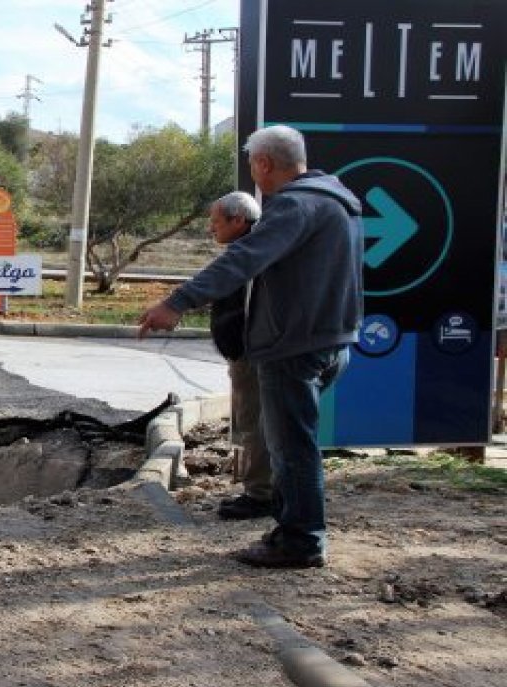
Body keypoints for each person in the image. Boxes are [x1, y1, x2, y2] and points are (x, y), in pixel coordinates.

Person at [138, 125, 363, 569]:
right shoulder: (337, 201)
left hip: (292, 347)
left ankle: (300, 541)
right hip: (333, 340)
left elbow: (242, 259)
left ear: (263, 163)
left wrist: (177, 302)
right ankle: (291, 527)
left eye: (252, 165)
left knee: (291, 448)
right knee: (294, 443)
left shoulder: (295, 205)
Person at [205, 191, 273, 521]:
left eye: (216, 222)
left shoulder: (249, 254)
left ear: (238, 220)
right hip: (252, 352)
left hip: (253, 354)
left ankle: (260, 494)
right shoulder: (256, 247)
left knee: (254, 422)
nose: (211, 228)